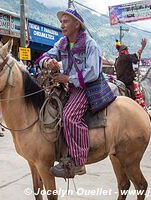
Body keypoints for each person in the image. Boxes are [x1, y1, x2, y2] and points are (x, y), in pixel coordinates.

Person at [37, 8, 115, 178]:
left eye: (66, 21)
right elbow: (45, 55)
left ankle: (78, 162)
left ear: (77, 24)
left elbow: (92, 72)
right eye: (61, 22)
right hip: (69, 86)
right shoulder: (62, 43)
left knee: (70, 116)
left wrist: (67, 78)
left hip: (87, 87)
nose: (62, 25)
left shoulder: (90, 44)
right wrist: (48, 61)